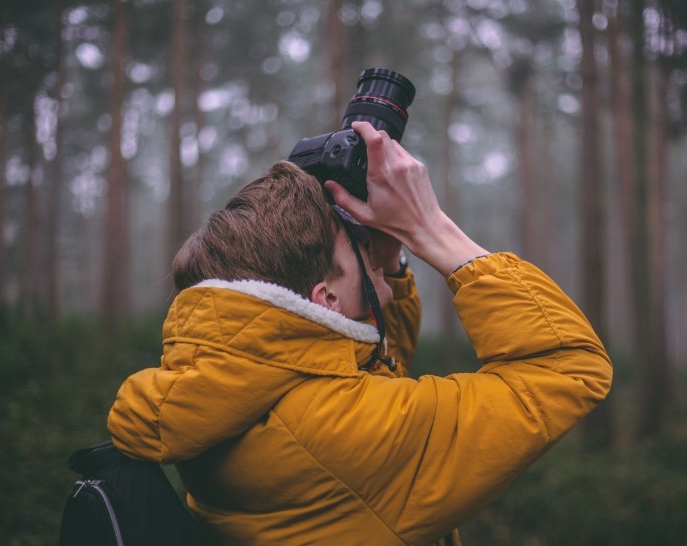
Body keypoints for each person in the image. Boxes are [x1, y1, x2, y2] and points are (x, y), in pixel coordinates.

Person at [108, 121, 613, 546]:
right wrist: (430, 229)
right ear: (325, 300)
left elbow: (367, 366)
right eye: (363, 256)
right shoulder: (339, 432)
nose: (383, 274)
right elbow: (567, 367)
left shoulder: (227, 384)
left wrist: (387, 256)